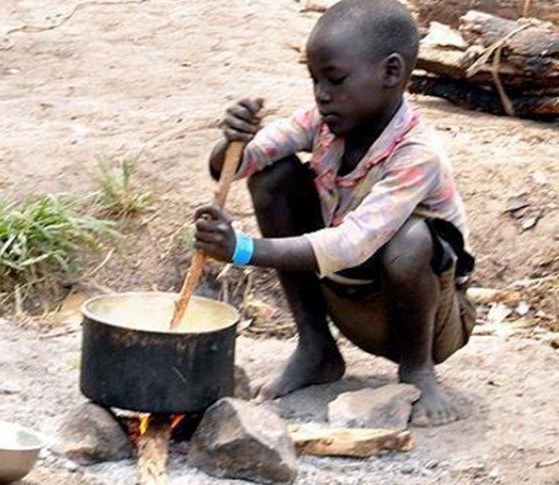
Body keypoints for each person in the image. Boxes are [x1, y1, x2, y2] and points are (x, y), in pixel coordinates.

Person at [193, 0, 475, 426]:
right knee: (273, 178)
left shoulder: (417, 155)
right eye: (315, 80)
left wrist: (243, 249)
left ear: (391, 72)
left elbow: (350, 243)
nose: (322, 94)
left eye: (335, 79)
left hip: (428, 320)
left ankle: (418, 372)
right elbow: (244, 163)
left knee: (411, 239)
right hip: (347, 294)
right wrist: (231, 141)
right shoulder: (324, 123)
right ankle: (316, 347)